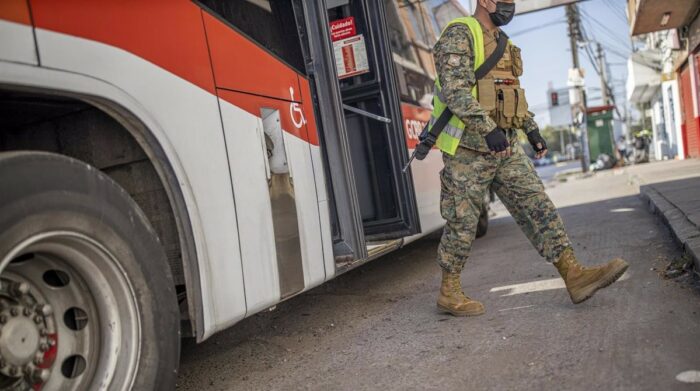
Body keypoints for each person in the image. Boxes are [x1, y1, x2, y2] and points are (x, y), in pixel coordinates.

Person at [429, 0, 629, 316]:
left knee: (537, 205)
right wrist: (486, 128)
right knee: (463, 222)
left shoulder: (506, 45)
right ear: (485, 1)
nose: (510, 5)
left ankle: (574, 275)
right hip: (468, 151)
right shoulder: (460, 33)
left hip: (505, 148)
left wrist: (531, 129)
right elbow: (455, 92)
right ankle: (449, 291)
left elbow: (512, 94)